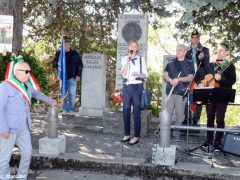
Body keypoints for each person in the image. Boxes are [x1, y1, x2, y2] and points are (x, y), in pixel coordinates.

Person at [0, 61, 58, 180]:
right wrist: (3, 128)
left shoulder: (26, 85)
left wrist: (50, 101)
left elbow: (36, 94)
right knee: (4, 159)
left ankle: (22, 177)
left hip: (23, 128)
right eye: (26, 71)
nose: (29, 74)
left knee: (27, 154)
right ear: (17, 72)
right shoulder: (5, 86)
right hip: (9, 129)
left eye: (29, 71)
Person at [203, 43, 236, 150]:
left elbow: (232, 81)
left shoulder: (230, 66)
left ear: (227, 53)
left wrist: (221, 79)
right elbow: (205, 78)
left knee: (220, 119)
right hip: (210, 94)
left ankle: (217, 142)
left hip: (223, 95)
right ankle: (209, 140)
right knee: (209, 119)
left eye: (221, 50)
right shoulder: (211, 65)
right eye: (218, 50)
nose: (219, 52)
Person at [163, 44, 194, 142]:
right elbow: (164, 74)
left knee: (179, 115)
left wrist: (178, 79)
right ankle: (165, 134)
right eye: (177, 50)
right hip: (171, 91)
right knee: (167, 113)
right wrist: (170, 80)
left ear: (185, 52)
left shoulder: (189, 63)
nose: (178, 51)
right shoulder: (171, 62)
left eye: (180, 50)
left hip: (182, 92)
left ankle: (176, 136)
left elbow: (190, 77)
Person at [120, 40, 148, 145]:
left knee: (136, 111)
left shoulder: (141, 59)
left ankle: (136, 136)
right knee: (126, 110)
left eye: (135, 46)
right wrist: (128, 60)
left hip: (137, 86)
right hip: (126, 86)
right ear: (128, 47)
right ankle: (127, 134)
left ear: (137, 48)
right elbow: (123, 74)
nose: (133, 47)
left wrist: (139, 74)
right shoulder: (124, 59)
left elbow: (146, 75)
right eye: (131, 46)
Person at [183, 30, 210, 126]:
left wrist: (203, 58)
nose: (195, 38)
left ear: (199, 38)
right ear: (191, 38)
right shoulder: (187, 51)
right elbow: (184, 64)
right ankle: (187, 118)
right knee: (188, 98)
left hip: (200, 77)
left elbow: (206, 65)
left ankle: (196, 118)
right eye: (193, 37)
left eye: (197, 37)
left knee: (199, 98)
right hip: (189, 78)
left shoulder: (205, 50)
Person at [53, 36, 83, 115]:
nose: (67, 45)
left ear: (70, 44)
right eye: (65, 43)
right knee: (63, 94)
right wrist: (57, 67)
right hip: (62, 78)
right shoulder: (59, 53)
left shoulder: (75, 53)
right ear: (62, 44)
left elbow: (80, 65)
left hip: (72, 78)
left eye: (68, 43)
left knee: (72, 94)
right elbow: (54, 63)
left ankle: (71, 110)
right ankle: (65, 110)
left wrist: (78, 75)